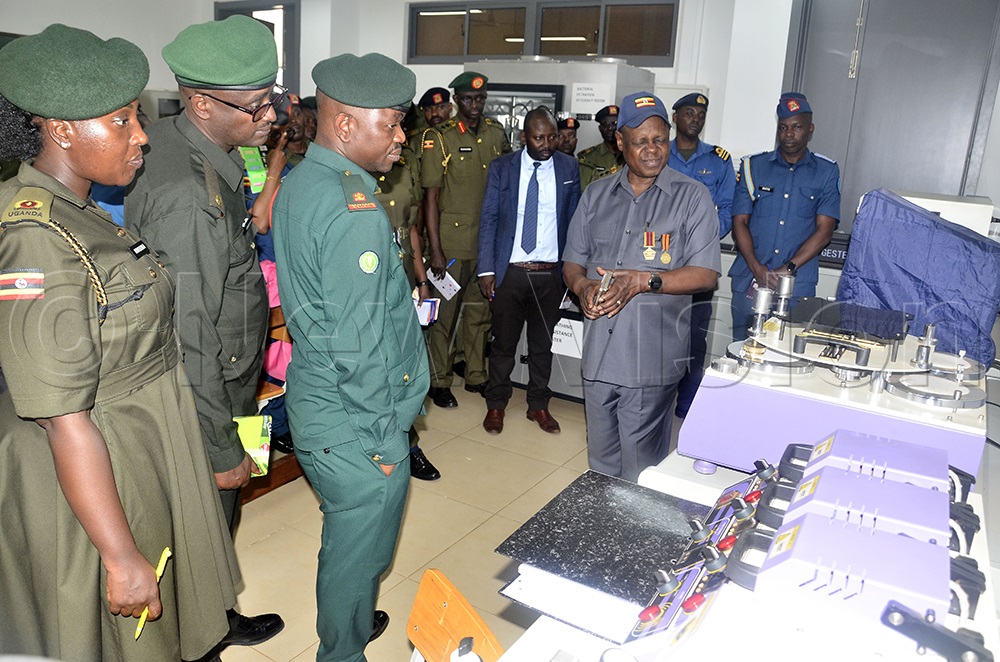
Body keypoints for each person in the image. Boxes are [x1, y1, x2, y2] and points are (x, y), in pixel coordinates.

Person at [0, 24, 242, 661]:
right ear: (59, 129)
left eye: (136, 115)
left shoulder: (82, 212)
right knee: (124, 638)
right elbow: (61, 416)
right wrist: (119, 554)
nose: (140, 135)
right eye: (120, 120)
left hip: (140, 443)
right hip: (98, 471)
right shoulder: (36, 239)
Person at [124, 15, 284, 648]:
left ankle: (217, 611)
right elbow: (190, 335)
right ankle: (200, 642)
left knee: (219, 524)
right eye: (255, 106)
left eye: (271, 98)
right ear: (200, 102)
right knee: (200, 519)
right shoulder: (187, 195)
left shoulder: (200, 145)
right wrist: (222, 449)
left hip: (235, 381)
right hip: (207, 398)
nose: (269, 115)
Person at [271, 52, 429, 662]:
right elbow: (357, 342)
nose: (400, 138)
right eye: (391, 123)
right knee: (357, 547)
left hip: (321, 399)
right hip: (354, 418)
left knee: (353, 544)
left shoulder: (307, 180)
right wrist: (379, 438)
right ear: (344, 126)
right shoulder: (353, 210)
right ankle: (342, 650)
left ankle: (353, 621)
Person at [562, 92, 720, 482]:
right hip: (599, 356)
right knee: (600, 466)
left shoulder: (691, 197)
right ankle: (604, 534)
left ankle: (635, 541)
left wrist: (645, 280)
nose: (653, 151)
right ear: (620, 143)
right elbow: (572, 262)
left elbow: (706, 274)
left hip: (652, 357)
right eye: (641, 142)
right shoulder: (596, 195)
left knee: (641, 474)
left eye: (660, 140)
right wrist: (581, 287)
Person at [477, 107, 581, 435]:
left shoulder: (569, 167)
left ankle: (538, 405)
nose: (547, 143)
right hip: (511, 272)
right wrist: (485, 270)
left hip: (550, 274)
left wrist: (572, 273)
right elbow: (489, 219)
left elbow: (575, 222)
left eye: (552, 136)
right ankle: (496, 404)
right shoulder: (502, 168)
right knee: (503, 345)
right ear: (523, 137)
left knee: (542, 346)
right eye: (539, 137)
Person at [421, 72, 511, 408]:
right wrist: (436, 251)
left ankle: (476, 374)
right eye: (469, 99)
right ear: (457, 100)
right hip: (451, 243)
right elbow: (430, 197)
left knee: (479, 313)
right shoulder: (439, 137)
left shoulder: (495, 133)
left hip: (486, 242)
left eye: (481, 98)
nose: (475, 105)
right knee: (445, 316)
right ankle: (438, 379)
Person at [729, 92, 840, 341]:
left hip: (797, 285)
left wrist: (787, 269)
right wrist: (757, 268)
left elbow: (825, 231)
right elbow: (739, 222)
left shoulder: (826, 172)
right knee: (742, 349)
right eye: (783, 127)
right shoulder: (752, 167)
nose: (789, 134)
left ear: (810, 130)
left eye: (797, 127)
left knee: (788, 352)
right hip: (749, 279)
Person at [370, 129, 442, 481]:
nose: (398, 139)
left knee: (406, 368)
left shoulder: (402, 173)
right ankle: (397, 445)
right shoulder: (354, 177)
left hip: (404, 281)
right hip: (373, 284)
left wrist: (423, 280)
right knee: (377, 370)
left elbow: (411, 229)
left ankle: (408, 444)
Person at [667, 92, 737, 418]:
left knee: (695, 339)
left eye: (701, 115)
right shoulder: (656, 153)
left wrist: (694, 242)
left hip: (699, 265)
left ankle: (687, 406)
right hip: (659, 263)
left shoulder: (719, 160)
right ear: (675, 116)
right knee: (656, 334)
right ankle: (657, 400)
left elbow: (726, 212)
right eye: (689, 113)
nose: (695, 119)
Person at [577, 104, 625, 190]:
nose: (610, 128)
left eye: (615, 123)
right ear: (600, 129)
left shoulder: (631, 154)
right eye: (605, 124)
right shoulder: (588, 158)